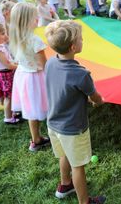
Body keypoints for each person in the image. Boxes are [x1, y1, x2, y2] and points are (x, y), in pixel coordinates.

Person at [44, 20, 106, 204]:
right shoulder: (81, 73)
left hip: (53, 124)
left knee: (64, 155)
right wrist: (98, 102)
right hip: (73, 128)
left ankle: (65, 185)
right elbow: (95, 97)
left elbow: (64, 88)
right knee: (78, 166)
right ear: (73, 47)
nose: (83, 40)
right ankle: (84, 201)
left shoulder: (50, 63)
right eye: (80, 38)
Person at [9, 2, 50, 152]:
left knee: (31, 110)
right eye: (35, 17)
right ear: (27, 21)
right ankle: (55, 134)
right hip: (36, 78)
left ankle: (36, 139)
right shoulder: (35, 40)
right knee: (45, 105)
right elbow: (44, 64)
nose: (38, 18)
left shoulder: (16, 37)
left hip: (23, 75)